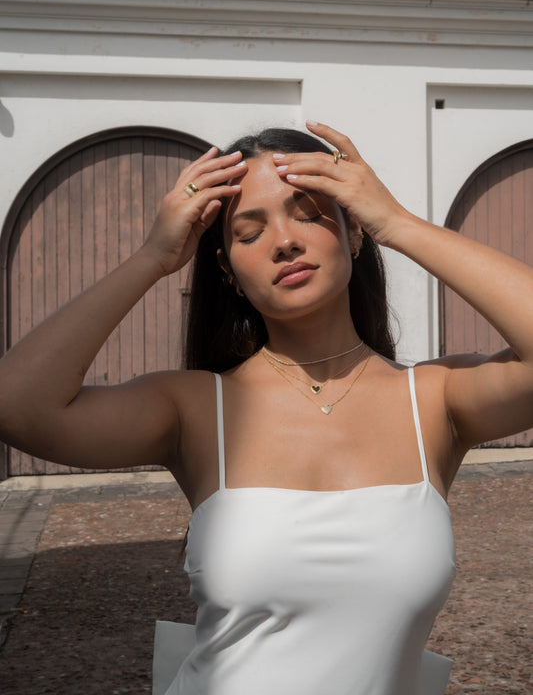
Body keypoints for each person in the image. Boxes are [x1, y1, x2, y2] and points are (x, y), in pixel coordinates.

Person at [0, 121, 531, 695]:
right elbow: (19, 405)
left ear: (354, 231)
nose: (283, 241)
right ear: (228, 270)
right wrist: (154, 256)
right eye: (250, 233)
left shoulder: (433, 398)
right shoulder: (195, 407)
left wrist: (398, 223)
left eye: (308, 215)